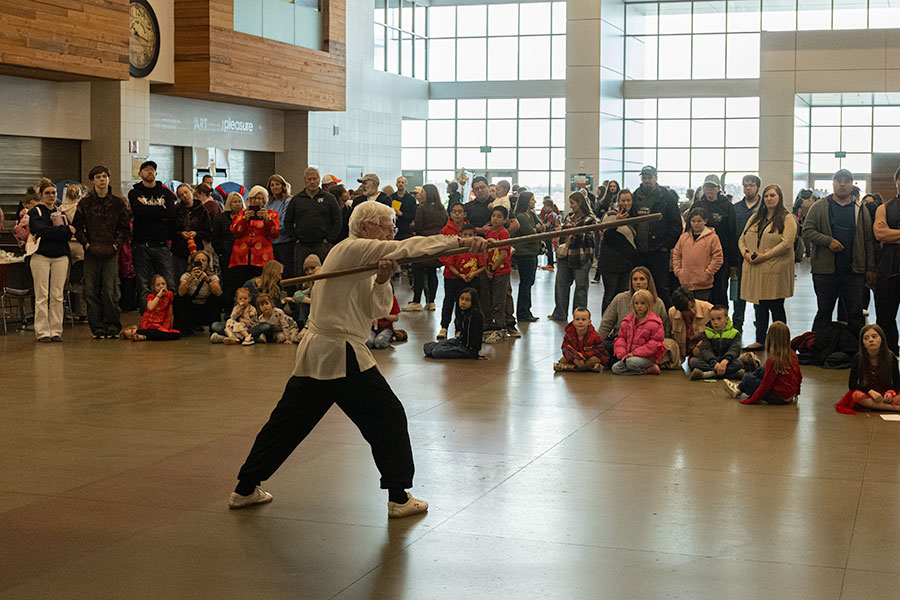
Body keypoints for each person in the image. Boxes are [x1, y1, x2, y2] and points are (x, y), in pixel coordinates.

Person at [229, 201, 489, 516]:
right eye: (387, 225)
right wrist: (461, 243)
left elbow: (380, 310)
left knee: (288, 423)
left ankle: (245, 488)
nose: (393, 231)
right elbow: (409, 247)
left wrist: (382, 279)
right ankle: (399, 497)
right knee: (387, 417)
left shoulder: (368, 260)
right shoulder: (350, 249)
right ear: (366, 227)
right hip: (339, 353)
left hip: (325, 353)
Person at [801, 169, 876, 339]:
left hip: (853, 272)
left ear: (852, 185)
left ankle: (857, 351)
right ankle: (817, 347)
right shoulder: (819, 206)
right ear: (833, 184)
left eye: (847, 181)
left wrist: (870, 267)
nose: (842, 184)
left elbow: (869, 240)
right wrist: (828, 241)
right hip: (825, 272)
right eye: (839, 180)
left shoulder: (860, 209)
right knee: (824, 312)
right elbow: (806, 230)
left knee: (855, 314)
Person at [73, 165, 131, 339]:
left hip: (110, 253)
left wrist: (116, 245)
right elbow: (77, 226)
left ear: (109, 179)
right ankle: (97, 327)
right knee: (90, 290)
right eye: (98, 177)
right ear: (93, 181)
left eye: (104, 176)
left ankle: (113, 325)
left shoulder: (118, 203)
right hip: (91, 253)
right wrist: (87, 244)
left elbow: (124, 228)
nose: (101, 179)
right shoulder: (85, 203)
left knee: (110, 290)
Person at [738, 184, 797, 351]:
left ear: (779, 198)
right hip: (756, 268)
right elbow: (741, 239)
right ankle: (760, 340)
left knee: (776, 306)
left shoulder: (787, 218)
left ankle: (781, 343)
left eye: (773, 196)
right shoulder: (755, 217)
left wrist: (765, 256)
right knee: (759, 306)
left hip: (775, 270)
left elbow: (787, 243)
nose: (769, 199)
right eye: (766, 196)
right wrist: (746, 254)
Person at [128, 161, 176, 312]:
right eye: (146, 170)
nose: (149, 172)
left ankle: (169, 317)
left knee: (169, 282)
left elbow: (171, 213)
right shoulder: (134, 193)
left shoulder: (165, 192)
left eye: (152, 170)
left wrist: (147, 209)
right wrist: (159, 211)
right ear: (140, 174)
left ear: (156, 173)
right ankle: (146, 319)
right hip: (141, 245)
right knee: (143, 284)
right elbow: (138, 212)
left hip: (161, 245)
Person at [631, 165, 682, 307]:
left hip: (659, 252)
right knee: (639, 290)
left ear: (656, 178)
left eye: (650, 177)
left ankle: (666, 324)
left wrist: (665, 246)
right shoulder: (635, 197)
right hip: (639, 252)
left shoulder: (667, 198)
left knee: (662, 288)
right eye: (644, 177)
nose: (647, 180)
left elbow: (676, 225)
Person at [28, 182, 73, 342]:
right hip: (40, 257)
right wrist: (61, 231)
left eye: (54, 193)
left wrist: (60, 231)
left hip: (61, 257)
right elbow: (39, 230)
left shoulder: (60, 212)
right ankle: (42, 332)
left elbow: (69, 234)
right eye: (48, 193)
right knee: (42, 296)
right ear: (41, 195)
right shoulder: (36, 212)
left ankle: (56, 330)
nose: (51, 196)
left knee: (57, 295)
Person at [722, 322, 802, 405]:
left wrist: (752, 400)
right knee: (762, 369)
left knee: (748, 378)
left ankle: (739, 388)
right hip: (789, 396)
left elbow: (765, 385)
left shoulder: (773, 360)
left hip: (778, 398)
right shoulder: (792, 354)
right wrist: (796, 392)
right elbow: (798, 375)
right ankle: (739, 388)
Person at [548, 191, 596, 322]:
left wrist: (573, 229)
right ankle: (560, 313)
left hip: (582, 257)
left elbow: (589, 239)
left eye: (572, 203)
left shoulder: (590, 219)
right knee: (561, 285)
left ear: (580, 203)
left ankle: (579, 316)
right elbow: (563, 237)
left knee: (581, 287)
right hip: (565, 257)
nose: (571, 206)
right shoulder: (568, 217)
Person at [691, 174, 738, 306]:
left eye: (712, 186)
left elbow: (733, 234)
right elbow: (689, 231)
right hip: (700, 257)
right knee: (702, 294)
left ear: (718, 188)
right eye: (707, 186)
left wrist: (734, 263)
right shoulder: (697, 205)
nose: (709, 189)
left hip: (722, 257)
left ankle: (720, 323)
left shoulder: (728, 207)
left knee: (720, 292)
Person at [284, 168, 341, 272]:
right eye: (309, 179)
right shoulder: (296, 200)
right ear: (305, 180)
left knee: (324, 274)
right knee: (300, 276)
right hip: (302, 245)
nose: (312, 182)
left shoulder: (329, 198)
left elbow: (338, 220)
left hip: (322, 245)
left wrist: (329, 239)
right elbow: (287, 221)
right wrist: (295, 238)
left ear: (319, 180)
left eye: (314, 179)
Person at [835, 324, 900, 413]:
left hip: (886, 395)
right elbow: (852, 385)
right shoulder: (858, 358)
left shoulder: (891, 357)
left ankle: (880, 405)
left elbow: (897, 383)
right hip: (868, 394)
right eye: (866, 338)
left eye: (874, 337)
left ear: (881, 339)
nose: (871, 340)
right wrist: (870, 391)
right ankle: (893, 408)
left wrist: (890, 392)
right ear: (863, 343)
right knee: (856, 395)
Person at [437, 223, 484, 340]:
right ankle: (444, 327)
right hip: (456, 279)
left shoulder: (477, 250)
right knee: (450, 302)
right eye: (465, 235)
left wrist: (473, 274)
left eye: (470, 235)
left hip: (471, 281)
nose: (468, 237)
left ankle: (461, 329)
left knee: (466, 305)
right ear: (460, 235)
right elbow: (450, 264)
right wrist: (460, 274)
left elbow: (482, 265)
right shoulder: (456, 248)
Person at [405, 184, 448, 312]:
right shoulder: (442, 209)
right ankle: (431, 302)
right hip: (437, 242)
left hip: (423, 242)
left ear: (428, 193)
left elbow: (418, 226)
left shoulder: (421, 208)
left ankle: (416, 301)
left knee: (418, 270)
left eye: (423, 192)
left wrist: (412, 226)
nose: (420, 194)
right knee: (431, 272)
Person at [230, 185, 280, 286]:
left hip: (262, 258)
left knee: (261, 286)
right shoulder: (242, 213)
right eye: (254, 198)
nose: (257, 201)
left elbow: (274, 234)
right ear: (249, 200)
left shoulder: (272, 214)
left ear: (264, 201)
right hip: (241, 257)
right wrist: (245, 220)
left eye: (260, 198)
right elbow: (234, 230)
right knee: (240, 286)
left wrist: (267, 221)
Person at [873, 168, 900, 354]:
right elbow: (879, 233)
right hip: (888, 269)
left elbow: (886, 234)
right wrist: (886, 234)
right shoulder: (884, 208)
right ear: (896, 181)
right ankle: (889, 355)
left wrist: (892, 234)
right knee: (885, 316)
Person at [597, 189, 637, 312]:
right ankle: (606, 324)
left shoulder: (634, 216)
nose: (626, 203)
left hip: (627, 262)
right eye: (623, 200)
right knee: (610, 294)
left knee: (624, 294)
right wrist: (616, 222)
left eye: (628, 200)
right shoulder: (610, 215)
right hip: (610, 262)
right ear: (618, 201)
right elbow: (605, 237)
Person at [672, 207, 723, 302]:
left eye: (699, 221)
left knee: (702, 312)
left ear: (705, 221)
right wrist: (678, 271)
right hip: (685, 283)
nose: (696, 224)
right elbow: (676, 254)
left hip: (703, 285)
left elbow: (717, 258)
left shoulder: (713, 238)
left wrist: (708, 273)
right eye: (693, 221)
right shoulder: (683, 237)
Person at [732, 175, 762, 333]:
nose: (748, 188)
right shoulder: (736, 208)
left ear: (757, 187)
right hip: (739, 258)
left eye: (751, 185)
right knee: (738, 294)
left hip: (759, 258)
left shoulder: (765, 208)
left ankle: (760, 326)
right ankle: (737, 325)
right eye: (745, 185)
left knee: (758, 295)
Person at [611, 289, 665, 375]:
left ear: (649, 304)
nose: (639, 306)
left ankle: (649, 367)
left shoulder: (655, 322)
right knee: (615, 368)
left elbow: (653, 344)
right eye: (636, 303)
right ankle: (645, 371)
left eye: (643, 303)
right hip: (629, 356)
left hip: (647, 358)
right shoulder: (627, 321)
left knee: (631, 363)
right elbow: (621, 338)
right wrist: (622, 354)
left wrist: (634, 353)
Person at [423, 287, 484, 360]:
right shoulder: (463, 312)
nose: (463, 302)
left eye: (467, 300)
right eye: (462, 299)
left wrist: (474, 354)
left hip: (467, 349)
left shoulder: (476, 316)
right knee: (427, 346)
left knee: (437, 351)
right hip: (459, 342)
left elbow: (476, 337)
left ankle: (437, 350)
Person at [174, 249, 222, 335]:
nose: (201, 263)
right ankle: (184, 328)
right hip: (191, 308)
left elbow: (218, 293)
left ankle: (214, 329)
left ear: (207, 263)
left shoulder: (213, 277)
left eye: (204, 260)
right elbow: (180, 293)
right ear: (193, 263)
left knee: (215, 298)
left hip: (205, 308)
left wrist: (207, 280)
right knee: (180, 299)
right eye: (198, 261)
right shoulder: (186, 276)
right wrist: (191, 278)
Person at [688, 304, 743, 380]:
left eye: (719, 319)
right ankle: (731, 375)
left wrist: (725, 360)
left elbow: (735, 349)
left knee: (739, 363)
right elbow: (706, 350)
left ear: (726, 319)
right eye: (712, 319)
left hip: (727, 362)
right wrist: (714, 363)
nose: (715, 322)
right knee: (693, 361)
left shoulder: (735, 333)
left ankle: (709, 374)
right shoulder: (706, 333)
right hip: (712, 362)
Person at [512, 191, 543, 322]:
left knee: (529, 282)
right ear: (526, 201)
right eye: (532, 199)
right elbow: (529, 232)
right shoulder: (521, 216)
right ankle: (522, 312)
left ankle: (526, 310)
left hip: (532, 252)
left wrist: (538, 228)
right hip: (525, 253)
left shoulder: (531, 214)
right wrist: (536, 229)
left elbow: (542, 227)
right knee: (526, 283)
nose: (535, 201)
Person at [124, 274, 180, 341]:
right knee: (155, 332)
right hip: (151, 323)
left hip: (163, 324)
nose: (161, 286)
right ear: (154, 287)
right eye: (158, 285)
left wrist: (170, 326)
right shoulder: (151, 296)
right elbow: (150, 307)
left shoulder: (169, 295)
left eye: (163, 284)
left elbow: (171, 312)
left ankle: (143, 336)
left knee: (174, 334)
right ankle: (136, 332)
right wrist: (158, 295)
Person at [172, 183, 212, 278]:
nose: (184, 196)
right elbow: (170, 230)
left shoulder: (202, 210)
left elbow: (209, 232)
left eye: (186, 192)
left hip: (198, 251)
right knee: (180, 277)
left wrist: (196, 234)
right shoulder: (176, 210)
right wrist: (180, 233)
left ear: (191, 191)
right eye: (181, 195)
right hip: (180, 251)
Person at [553, 307, 606, 372]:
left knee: (595, 360)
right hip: (575, 358)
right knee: (563, 360)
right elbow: (564, 349)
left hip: (588, 357)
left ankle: (568, 368)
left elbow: (600, 349)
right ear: (573, 322)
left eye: (583, 320)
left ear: (589, 322)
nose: (580, 322)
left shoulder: (594, 335)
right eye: (577, 319)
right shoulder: (569, 334)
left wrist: (585, 355)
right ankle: (591, 367)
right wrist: (574, 359)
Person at [668, 286, 712, 363]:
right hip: (686, 353)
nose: (692, 311)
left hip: (707, 350)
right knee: (693, 362)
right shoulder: (672, 313)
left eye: (692, 306)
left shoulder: (708, 309)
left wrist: (700, 345)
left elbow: (719, 334)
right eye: (687, 310)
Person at [213, 192, 244, 302]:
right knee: (228, 282)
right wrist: (220, 251)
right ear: (229, 203)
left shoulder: (245, 217)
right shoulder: (221, 217)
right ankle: (227, 306)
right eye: (234, 202)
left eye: (239, 201)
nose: (237, 204)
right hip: (227, 255)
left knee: (240, 281)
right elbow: (215, 236)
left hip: (242, 255)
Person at [266, 174, 295, 278]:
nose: (275, 187)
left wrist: (271, 228)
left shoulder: (288, 201)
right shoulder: (269, 203)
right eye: (272, 185)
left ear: (283, 186)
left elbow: (284, 222)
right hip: (271, 244)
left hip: (285, 243)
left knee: (286, 273)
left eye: (277, 184)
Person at [539, 196, 560, 270]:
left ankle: (550, 263)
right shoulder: (548, 214)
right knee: (548, 249)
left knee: (549, 249)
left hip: (550, 234)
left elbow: (548, 225)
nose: (544, 208)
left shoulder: (551, 215)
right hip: (549, 234)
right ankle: (549, 263)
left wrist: (540, 225)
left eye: (545, 206)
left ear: (550, 207)